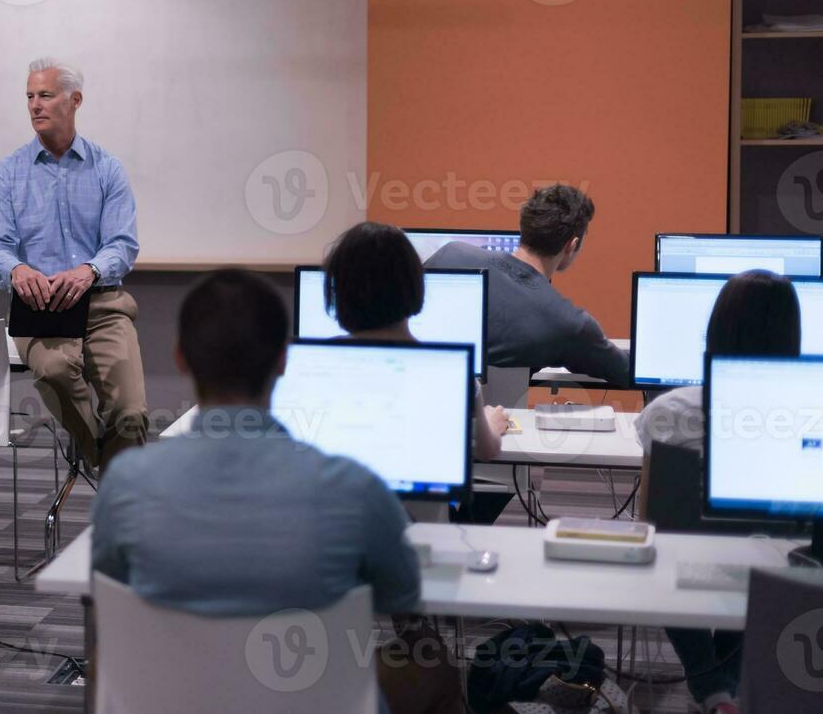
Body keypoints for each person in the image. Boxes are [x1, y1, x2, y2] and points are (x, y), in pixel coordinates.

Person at [93, 270, 446, 713]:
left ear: (181, 358)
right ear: (283, 359)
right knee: (435, 665)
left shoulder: (125, 483)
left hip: (174, 700)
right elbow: (406, 599)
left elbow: (106, 592)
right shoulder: (356, 489)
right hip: (314, 701)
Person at [633, 269, 799, 714]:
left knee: (676, 548)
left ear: (713, 329)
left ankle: (711, 687)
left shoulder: (665, 411)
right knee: (747, 555)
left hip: (678, 569)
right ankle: (727, 684)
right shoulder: (809, 414)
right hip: (779, 574)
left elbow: (649, 517)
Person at [0, 58, 146, 472]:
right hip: (40, 307)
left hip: (103, 303)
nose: (35, 105)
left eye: (46, 95)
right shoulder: (9, 172)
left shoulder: (107, 168)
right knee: (54, 370)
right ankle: (117, 477)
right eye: (30, 96)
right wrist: (16, 270)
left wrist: (89, 270)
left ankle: (117, 487)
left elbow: (123, 244)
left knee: (131, 413)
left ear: (75, 101)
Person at [323, 222, 508, 474]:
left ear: (336, 292)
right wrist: (490, 423)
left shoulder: (308, 363)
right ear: (414, 286)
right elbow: (487, 450)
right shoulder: (453, 369)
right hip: (419, 513)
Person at [425, 185, 630, 385]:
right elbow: (628, 371)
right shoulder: (568, 324)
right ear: (572, 245)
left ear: (524, 227)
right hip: (501, 416)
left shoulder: (451, 254)